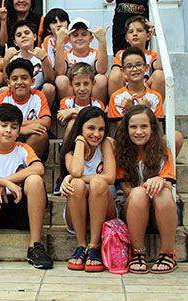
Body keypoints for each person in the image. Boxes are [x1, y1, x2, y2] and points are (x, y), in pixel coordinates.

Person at [0, 103, 52, 270]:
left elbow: (39, 168)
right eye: (3, 125)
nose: (8, 130)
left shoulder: (23, 149)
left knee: (35, 180)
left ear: (19, 131)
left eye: (13, 127)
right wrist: (3, 183)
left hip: (21, 210)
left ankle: (35, 245)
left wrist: (8, 180)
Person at [115, 105, 178, 274]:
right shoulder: (120, 151)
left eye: (144, 126)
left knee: (163, 191)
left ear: (152, 128)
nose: (138, 132)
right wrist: (145, 189)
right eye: (133, 127)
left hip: (161, 211)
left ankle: (167, 253)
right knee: (138, 193)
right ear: (126, 129)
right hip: (133, 208)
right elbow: (125, 188)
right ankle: (138, 253)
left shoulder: (163, 151)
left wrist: (159, 180)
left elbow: (169, 182)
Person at [59, 107, 116, 272]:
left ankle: (94, 246)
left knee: (98, 183)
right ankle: (82, 245)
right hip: (78, 213)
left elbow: (110, 177)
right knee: (77, 185)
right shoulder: (71, 151)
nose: (96, 134)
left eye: (101, 129)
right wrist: (79, 142)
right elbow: (76, 172)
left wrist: (70, 178)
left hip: (105, 209)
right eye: (91, 128)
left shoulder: (105, 143)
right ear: (80, 128)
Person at [108, 46, 183, 155]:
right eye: (129, 66)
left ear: (146, 68)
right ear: (123, 71)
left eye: (138, 65)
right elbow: (121, 130)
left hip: (149, 141)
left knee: (177, 137)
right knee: (109, 142)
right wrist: (133, 110)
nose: (134, 69)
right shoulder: (117, 97)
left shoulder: (155, 96)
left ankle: (162, 164)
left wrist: (145, 110)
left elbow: (157, 129)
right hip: (126, 143)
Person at [0, 59, 51, 160]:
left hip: (29, 139)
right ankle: (7, 163)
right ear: (8, 83)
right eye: (14, 79)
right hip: (8, 135)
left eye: (24, 78)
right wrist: (20, 130)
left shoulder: (38, 96)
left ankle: (23, 164)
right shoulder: (4, 97)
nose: (19, 82)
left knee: (40, 134)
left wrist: (15, 126)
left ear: (32, 81)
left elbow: (46, 122)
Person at [3, 20, 56, 108]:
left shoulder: (42, 54)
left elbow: (51, 79)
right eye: (19, 35)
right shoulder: (12, 57)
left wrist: (44, 59)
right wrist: (6, 60)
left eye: (27, 33)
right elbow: (6, 81)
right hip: (18, 91)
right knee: (4, 90)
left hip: (38, 93)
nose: (23, 36)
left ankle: (44, 113)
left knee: (49, 87)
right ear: (15, 42)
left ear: (34, 37)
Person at [108, 15, 164, 97]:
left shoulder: (152, 55)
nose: (135, 34)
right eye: (131, 32)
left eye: (139, 30)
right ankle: (115, 103)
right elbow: (116, 75)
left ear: (148, 35)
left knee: (159, 74)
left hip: (146, 96)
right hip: (126, 94)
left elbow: (159, 66)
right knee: (115, 73)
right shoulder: (121, 54)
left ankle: (156, 105)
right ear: (127, 38)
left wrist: (159, 35)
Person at [54, 18, 108, 102]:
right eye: (75, 35)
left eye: (84, 34)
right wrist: (60, 42)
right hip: (73, 92)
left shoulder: (95, 53)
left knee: (101, 78)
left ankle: (97, 108)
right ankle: (68, 107)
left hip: (91, 92)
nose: (79, 38)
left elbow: (102, 70)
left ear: (91, 38)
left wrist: (102, 41)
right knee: (60, 80)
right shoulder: (66, 54)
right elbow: (60, 72)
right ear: (69, 39)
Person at [57, 63, 106, 139]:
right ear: (71, 85)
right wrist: (87, 117)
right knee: (72, 124)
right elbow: (61, 120)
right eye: (77, 84)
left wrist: (73, 112)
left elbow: (96, 122)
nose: (82, 88)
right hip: (72, 141)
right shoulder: (66, 102)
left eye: (86, 84)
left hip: (92, 139)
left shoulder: (98, 104)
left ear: (93, 83)